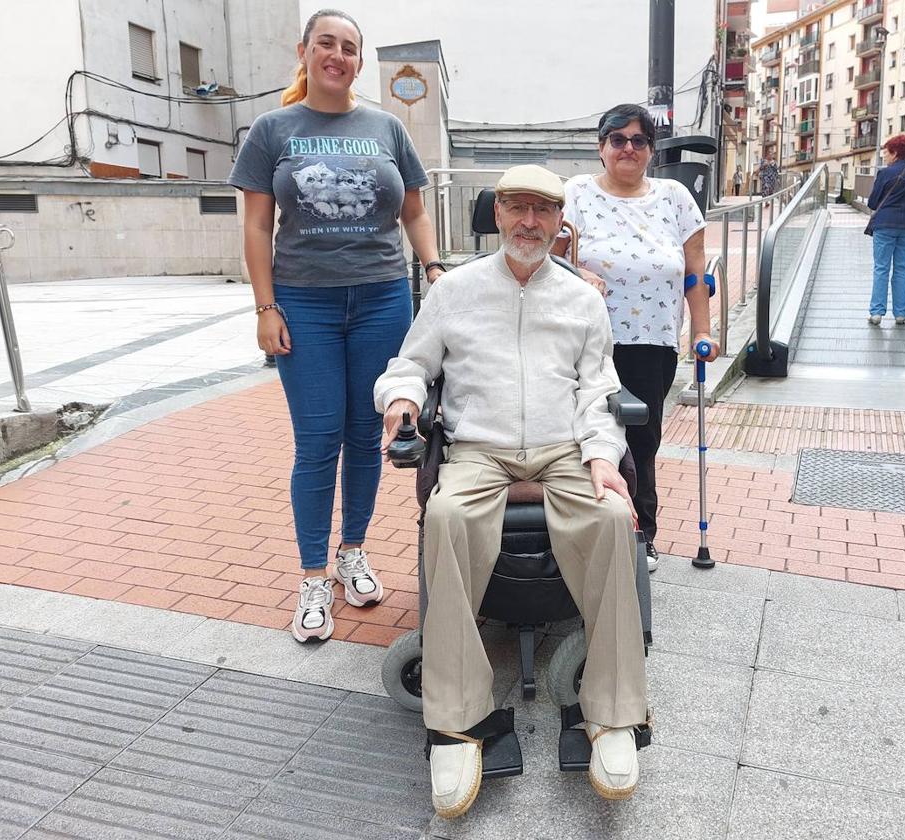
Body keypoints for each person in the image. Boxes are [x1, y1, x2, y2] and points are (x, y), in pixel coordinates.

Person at [374, 165, 649, 817]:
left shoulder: (582, 298)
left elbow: (598, 388)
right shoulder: (455, 290)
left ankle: (612, 716)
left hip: (563, 449)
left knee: (612, 516)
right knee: (444, 514)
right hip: (481, 449)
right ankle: (457, 720)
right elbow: (411, 363)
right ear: (497, 214)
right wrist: (404, 399)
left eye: (543, 211)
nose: (530, 222)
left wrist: (604, 455)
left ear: (560, 223)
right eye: (517, 208)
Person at [229, 8, 445, 643]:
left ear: (358, 60)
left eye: (350, 48)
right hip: (306, 304)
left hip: (382, 298)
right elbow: (255, 226)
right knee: (318, 440)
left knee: (368, 431)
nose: (339, 55)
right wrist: (266, 307)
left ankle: (353, 550)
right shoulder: (273, 130)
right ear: (305, 51)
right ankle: (313, 576)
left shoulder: (385, 126)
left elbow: (413, 210)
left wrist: (433, 269)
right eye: (327, 43)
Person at [554, 103, 719, 572]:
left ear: (651, 148)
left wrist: (703, 330)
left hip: (652, 340)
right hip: (585, 339)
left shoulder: (674, 197)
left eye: (638, 140)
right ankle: (584, 526)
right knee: (582, 432)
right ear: (601, 147)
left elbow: (694, 273)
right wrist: (578, 270)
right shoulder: (577, 194)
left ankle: (641, 531)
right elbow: (549, 261)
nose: (628, 148)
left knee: (642, 438)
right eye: (617, 139)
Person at [866, 134, 905, 326]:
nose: (884, 156)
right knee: (902, 268)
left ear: (894, 154)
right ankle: (901, 314)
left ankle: (877, 313)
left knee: (881, 268)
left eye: (886, 152)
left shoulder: (885, 174)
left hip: (885, 226)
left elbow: (873, 202)